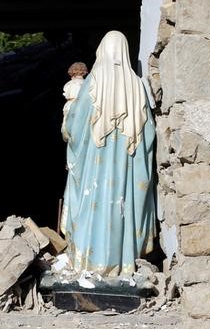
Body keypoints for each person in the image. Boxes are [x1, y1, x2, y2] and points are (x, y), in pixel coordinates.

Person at [60, 31, 156, 276]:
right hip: (126, 164)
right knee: (121, 204)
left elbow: (75, 126)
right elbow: (148, 134)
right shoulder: (137, 85)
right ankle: (122, 261)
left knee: (94, 201)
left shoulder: (92, 82)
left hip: (95, 161)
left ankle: (88, 261)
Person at [61, 62, 88, 141]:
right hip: (82, 105)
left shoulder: (69, 84)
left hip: (71, 104)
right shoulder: (86, 83)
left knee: (71, 127)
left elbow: (67, 95)